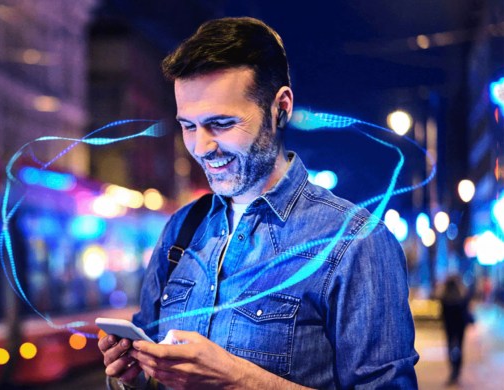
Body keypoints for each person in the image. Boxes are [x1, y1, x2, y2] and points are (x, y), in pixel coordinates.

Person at [99, 17, 419, 389]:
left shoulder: (355, 243)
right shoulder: (182, 229)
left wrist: (237, 379)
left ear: (280, 107)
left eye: (221, 123)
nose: (201, 148)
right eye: (188, 126)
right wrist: (129, 375)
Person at [439, 275, 473, 385]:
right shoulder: (462, 295)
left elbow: (442, 313)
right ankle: (457, 371)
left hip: (449, 327)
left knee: (450, 347)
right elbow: (466, 309)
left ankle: (453, 371)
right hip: (460, 327)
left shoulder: (444, 297)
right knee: (459, 347)